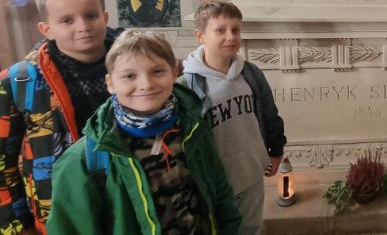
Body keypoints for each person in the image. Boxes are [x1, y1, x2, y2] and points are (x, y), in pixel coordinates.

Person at [46, 30, 241, 234]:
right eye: (129, 76)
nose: (146, 84)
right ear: (110, 83)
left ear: (174, 73)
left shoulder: (193, 127)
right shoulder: (82, 160)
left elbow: (219, 189)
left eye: (157, 71)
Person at [0, 0, 119, 234]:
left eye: (91, 16)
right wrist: (15, 225)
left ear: (105, 17)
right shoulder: (18, 81)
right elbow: (2, 161)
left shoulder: (138, 63)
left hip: (128, 197)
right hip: (61, 208)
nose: (83, 27)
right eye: (67, 21)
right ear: (46, 29)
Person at [180, 1, 286, 235]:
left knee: (251, 229)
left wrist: (276, 151)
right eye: (220, 30)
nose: (230, 36)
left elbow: (270, 114)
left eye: (235, 29)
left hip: (251, 173)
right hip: (216, 183)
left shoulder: (251, 73)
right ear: (200, 36)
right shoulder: (186, 86)